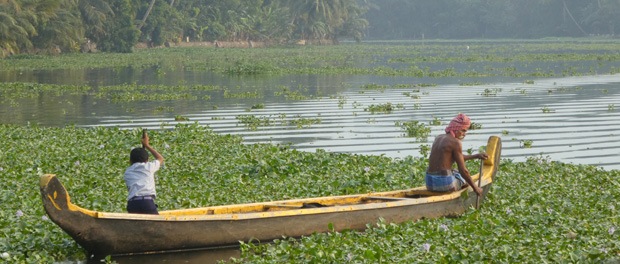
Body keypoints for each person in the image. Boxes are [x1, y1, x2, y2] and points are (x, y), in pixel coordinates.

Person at [425, 113, 487, 196]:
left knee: (455, 172)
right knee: (463, 179)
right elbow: (463, 171)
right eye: (463, 130)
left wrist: (476, 156)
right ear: (456, 129)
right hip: (444, 185)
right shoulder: (456, 142)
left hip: (429, 183)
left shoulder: (438, 137)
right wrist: (476, 188)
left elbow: (454, 157)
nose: (464, 134)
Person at [124, 130, 164, 214]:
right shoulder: (149, 167)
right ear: (147, 160)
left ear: (130, 161)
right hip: (147, 203)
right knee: (158, 225)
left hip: (132, 204)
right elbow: (160, 158)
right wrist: (147, 145)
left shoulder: (127, 172)